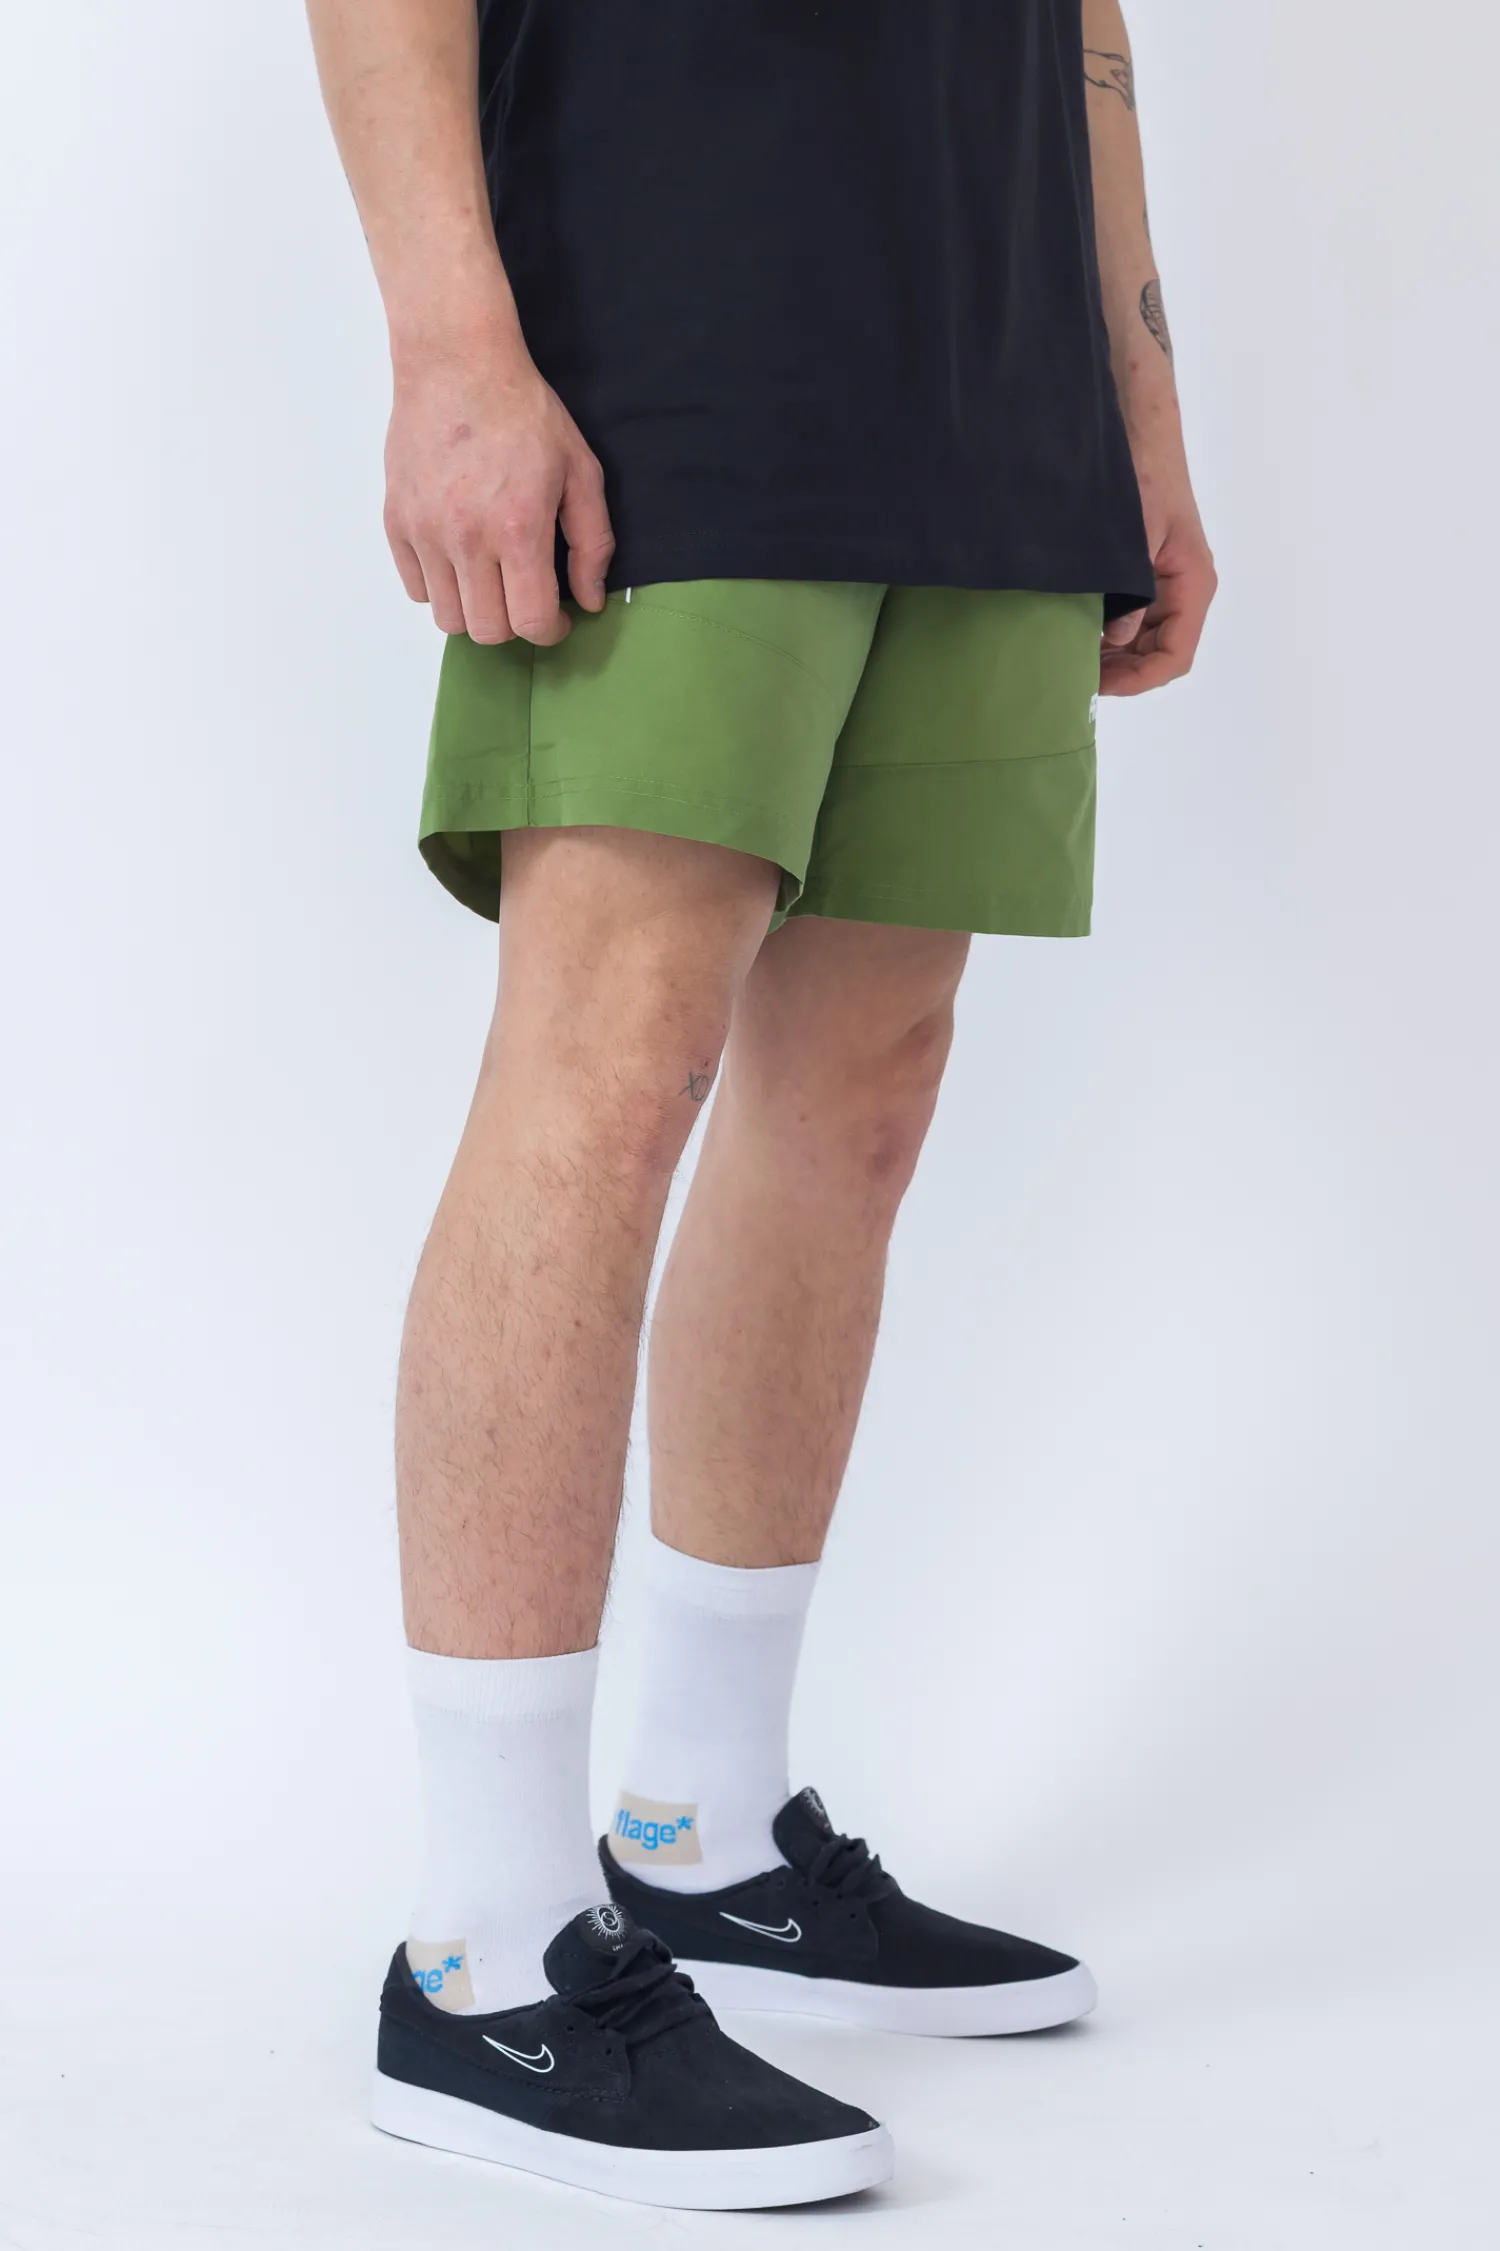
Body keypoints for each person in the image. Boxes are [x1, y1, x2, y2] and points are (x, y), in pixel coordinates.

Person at [305, 0, 1216, 2211]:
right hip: (668, 315)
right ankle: (489, 1950)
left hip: (989, 343)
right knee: (614, 1060)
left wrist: (1138, 404)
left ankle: (705, 1832)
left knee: (869, 1085)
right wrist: (450, 346)